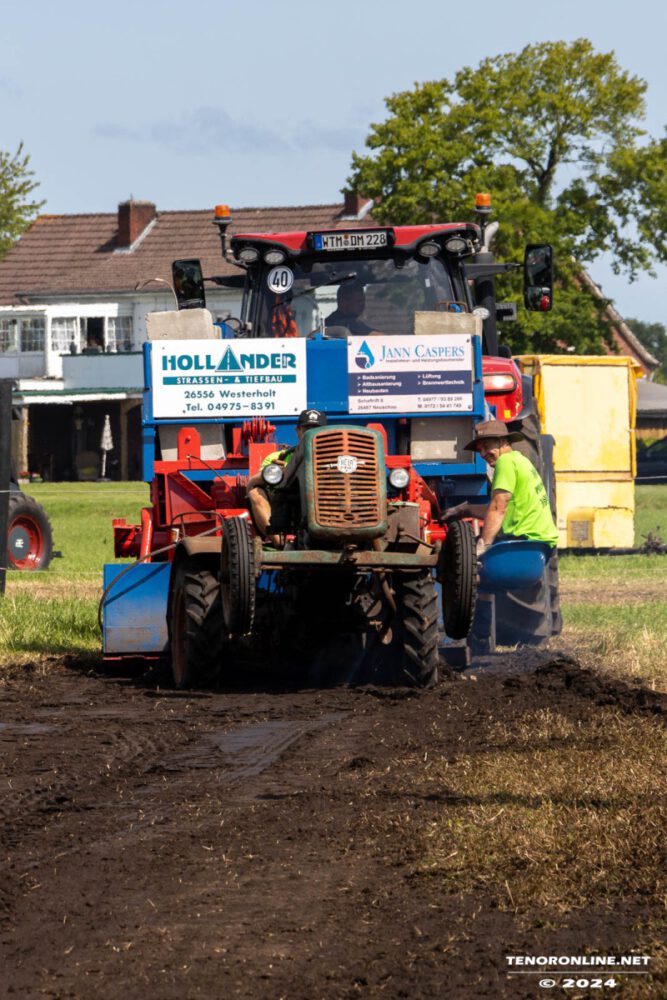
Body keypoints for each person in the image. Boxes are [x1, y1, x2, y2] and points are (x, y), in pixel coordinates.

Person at [443, 419, 559, 555]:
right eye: (480, 450)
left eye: (486, 446)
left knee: (462, 554)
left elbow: (498, 508)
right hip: (540, 544)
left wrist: (483, 545)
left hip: (523, 542)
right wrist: (463, 509)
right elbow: (498, 509)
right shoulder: (520, 460)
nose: (483, 454)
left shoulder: (505, 461)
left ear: (503, 441)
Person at [247, 409, 327, 545]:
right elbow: (252, 482)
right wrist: (276, 472)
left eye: (316, 430)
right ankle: (280, 544)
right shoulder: (278, 457)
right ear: (298, 431)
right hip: (289, 506)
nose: (311, 435)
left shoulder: (335, 458)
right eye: (307, 430)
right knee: (255, 493)